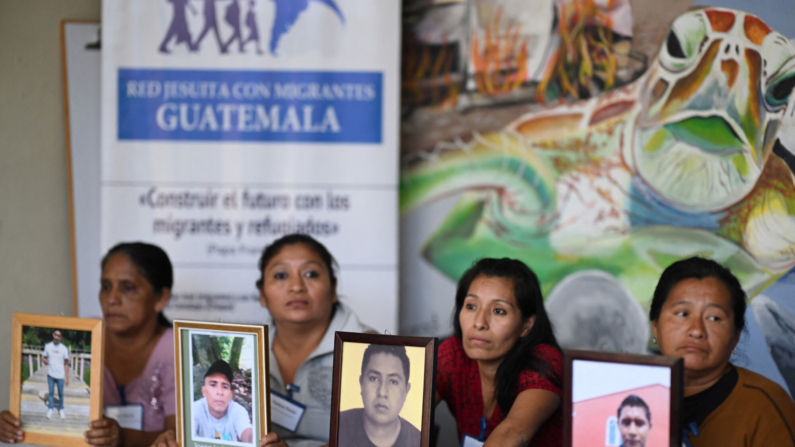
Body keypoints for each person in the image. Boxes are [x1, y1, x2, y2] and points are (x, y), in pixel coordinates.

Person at [150, 233, 373, 447]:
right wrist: (186, 437)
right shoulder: (246, 351)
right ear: (262, 294)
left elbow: (376, 440)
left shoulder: (368, 349)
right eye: (281, 275)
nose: (296, 286)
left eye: (311, 274)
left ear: (333, 288)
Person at [0, 242, 177, 447]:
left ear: (161, 298)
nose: (112, 299)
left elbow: (180, 437)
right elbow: (52, 418)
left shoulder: (176, 350)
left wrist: (124, 438)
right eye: (106, 287)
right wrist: (17, 423)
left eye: (128, 288)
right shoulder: (85, 335)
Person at [650, 257, 795, 446]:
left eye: (714, 318)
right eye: (682, 313)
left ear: (736, 335)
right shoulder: (625, 392)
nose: (696, 330)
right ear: (655, 327)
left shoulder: (765, 406)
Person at [436, 258, 562, 447]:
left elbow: (513, 432)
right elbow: (404, 411)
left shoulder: (545, 361)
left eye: (498, 311)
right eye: (471, 306)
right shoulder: (453, 353)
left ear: (527, 325)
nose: (479, 323)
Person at [338, 344, 420, 447]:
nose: (382, 392)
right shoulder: (338, 425)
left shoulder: (419, 441)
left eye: (393, 382)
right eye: (373, 379)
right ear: (361, 383)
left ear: (406, 390)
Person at [193, 360, 253, 442]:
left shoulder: (238, 411)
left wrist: (259, 442)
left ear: (230, 394)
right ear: (204, 391)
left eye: (225, 387)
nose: (220, 392)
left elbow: (248, 434)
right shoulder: (194, 410)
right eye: (213, 385)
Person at [43, 330, 70, 420]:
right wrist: (46, 361)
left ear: (61, 337)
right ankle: (50, 408)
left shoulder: (64, 348)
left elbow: (66, 364)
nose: (56, 337)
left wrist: (67, 378)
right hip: (51, 374)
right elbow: (44, 357)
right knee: (51, 393)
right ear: (53, 335)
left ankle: (61, 409)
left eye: (58, 335)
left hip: (60, 376)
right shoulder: (48, 346)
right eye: (55, 334)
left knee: (61, 394)